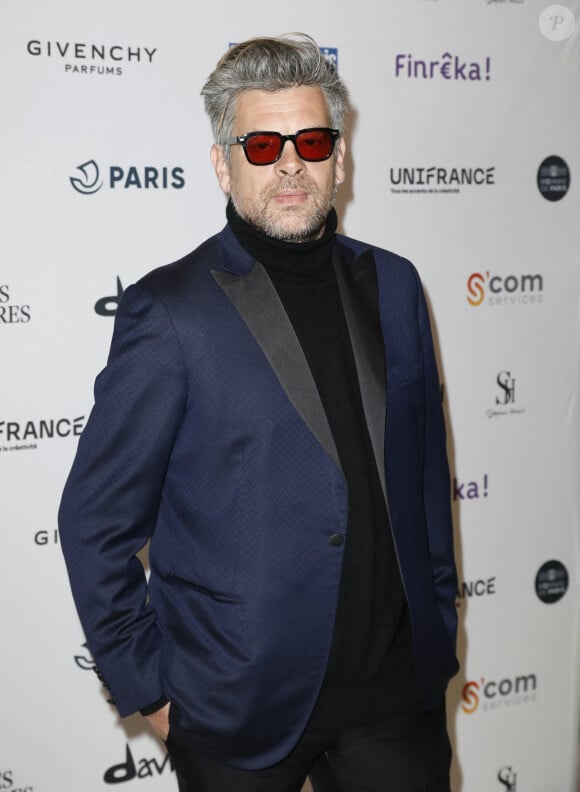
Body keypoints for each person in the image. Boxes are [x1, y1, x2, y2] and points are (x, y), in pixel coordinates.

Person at [59, 33, 459, 792]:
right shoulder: (171, 313)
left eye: (310, 140)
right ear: (223, 163)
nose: (289, 164)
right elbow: (93, 523)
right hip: (236, 712)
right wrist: (151, 688)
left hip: (395, 700)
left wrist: (438, 630)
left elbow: (427, 478)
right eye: (262, 143)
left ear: (339, 157)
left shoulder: (398, 286)